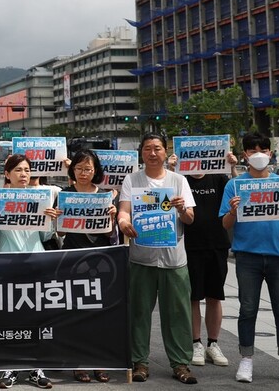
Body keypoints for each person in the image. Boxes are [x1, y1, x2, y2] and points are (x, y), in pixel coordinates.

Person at [220, 132, 279, 385]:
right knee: (247, 309)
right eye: (252, 149)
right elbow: (225, 223)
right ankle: (246, 358)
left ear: (270, 153)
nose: (258, 153)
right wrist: (234, 211)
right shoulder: (234, 186)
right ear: (245, 154)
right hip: (248, 256)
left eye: (263, 149)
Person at [116, 133, 198, 385]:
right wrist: (123, 222)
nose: (153, 153)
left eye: (158, 148)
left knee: (178, 313)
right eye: (148, 149)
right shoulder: (132, 179)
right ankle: (139, 362)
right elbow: (124, 211)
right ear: (141, 153)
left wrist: (182, 208)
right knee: (139, 312)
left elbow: (190, 219)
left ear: (165, 152)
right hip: (141, 258)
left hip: (174, 260)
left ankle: (180, 364)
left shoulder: (179, 180)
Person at [0, 154, 61, 390]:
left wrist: (50, 221)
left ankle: (35, 367)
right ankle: (11, 366)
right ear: (7, 174)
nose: (24, 174)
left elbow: (45, 237)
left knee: (36, 317)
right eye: (18, 170)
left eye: (27, 170)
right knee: (11, 318)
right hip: (7, 265)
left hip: (35, 263)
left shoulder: (41, 198)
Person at [56, 149, 116, 383]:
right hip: (72, 261)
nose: (83, 173)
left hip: (100, 263)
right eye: (79, 168)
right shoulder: (64, 194)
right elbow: (60, 232)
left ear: (96, 171)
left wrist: (111, 217)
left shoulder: (105, 195)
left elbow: (109, 233)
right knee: (75, 313)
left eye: (88, 169)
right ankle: (77, 362)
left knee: (99, 314)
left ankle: (99, 362)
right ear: (72, 170)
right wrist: (57, 217)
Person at [177, 150, 236, 369]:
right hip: (189, 245)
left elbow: (238, 193)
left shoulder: (219, 176)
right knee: (193, 297)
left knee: (214, 296)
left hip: (217, 244)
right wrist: (171, 166)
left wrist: (232, 167)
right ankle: (196, 343)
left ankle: (213, 343)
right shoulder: (180, 179)